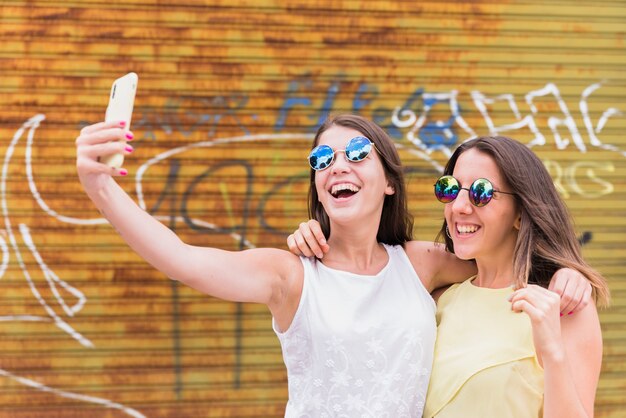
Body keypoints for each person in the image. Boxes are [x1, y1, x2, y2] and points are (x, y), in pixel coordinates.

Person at [76, 114, 590, 417]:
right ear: (319, 184)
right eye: (322, 160)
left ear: (389, 180)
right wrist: (101, 187)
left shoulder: (422, 264)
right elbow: (183, 260)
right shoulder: (291, 275)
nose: (337, 165)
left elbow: (500, 261)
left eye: (356, 153)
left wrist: (571, 276)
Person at [288, 132, 608, 417]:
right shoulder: (437, 300)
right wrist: (319, 236)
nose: (459, 206)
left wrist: (552, 352)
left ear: (522, 213)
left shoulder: (563, 307)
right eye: (450, 189)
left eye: (481, 192)